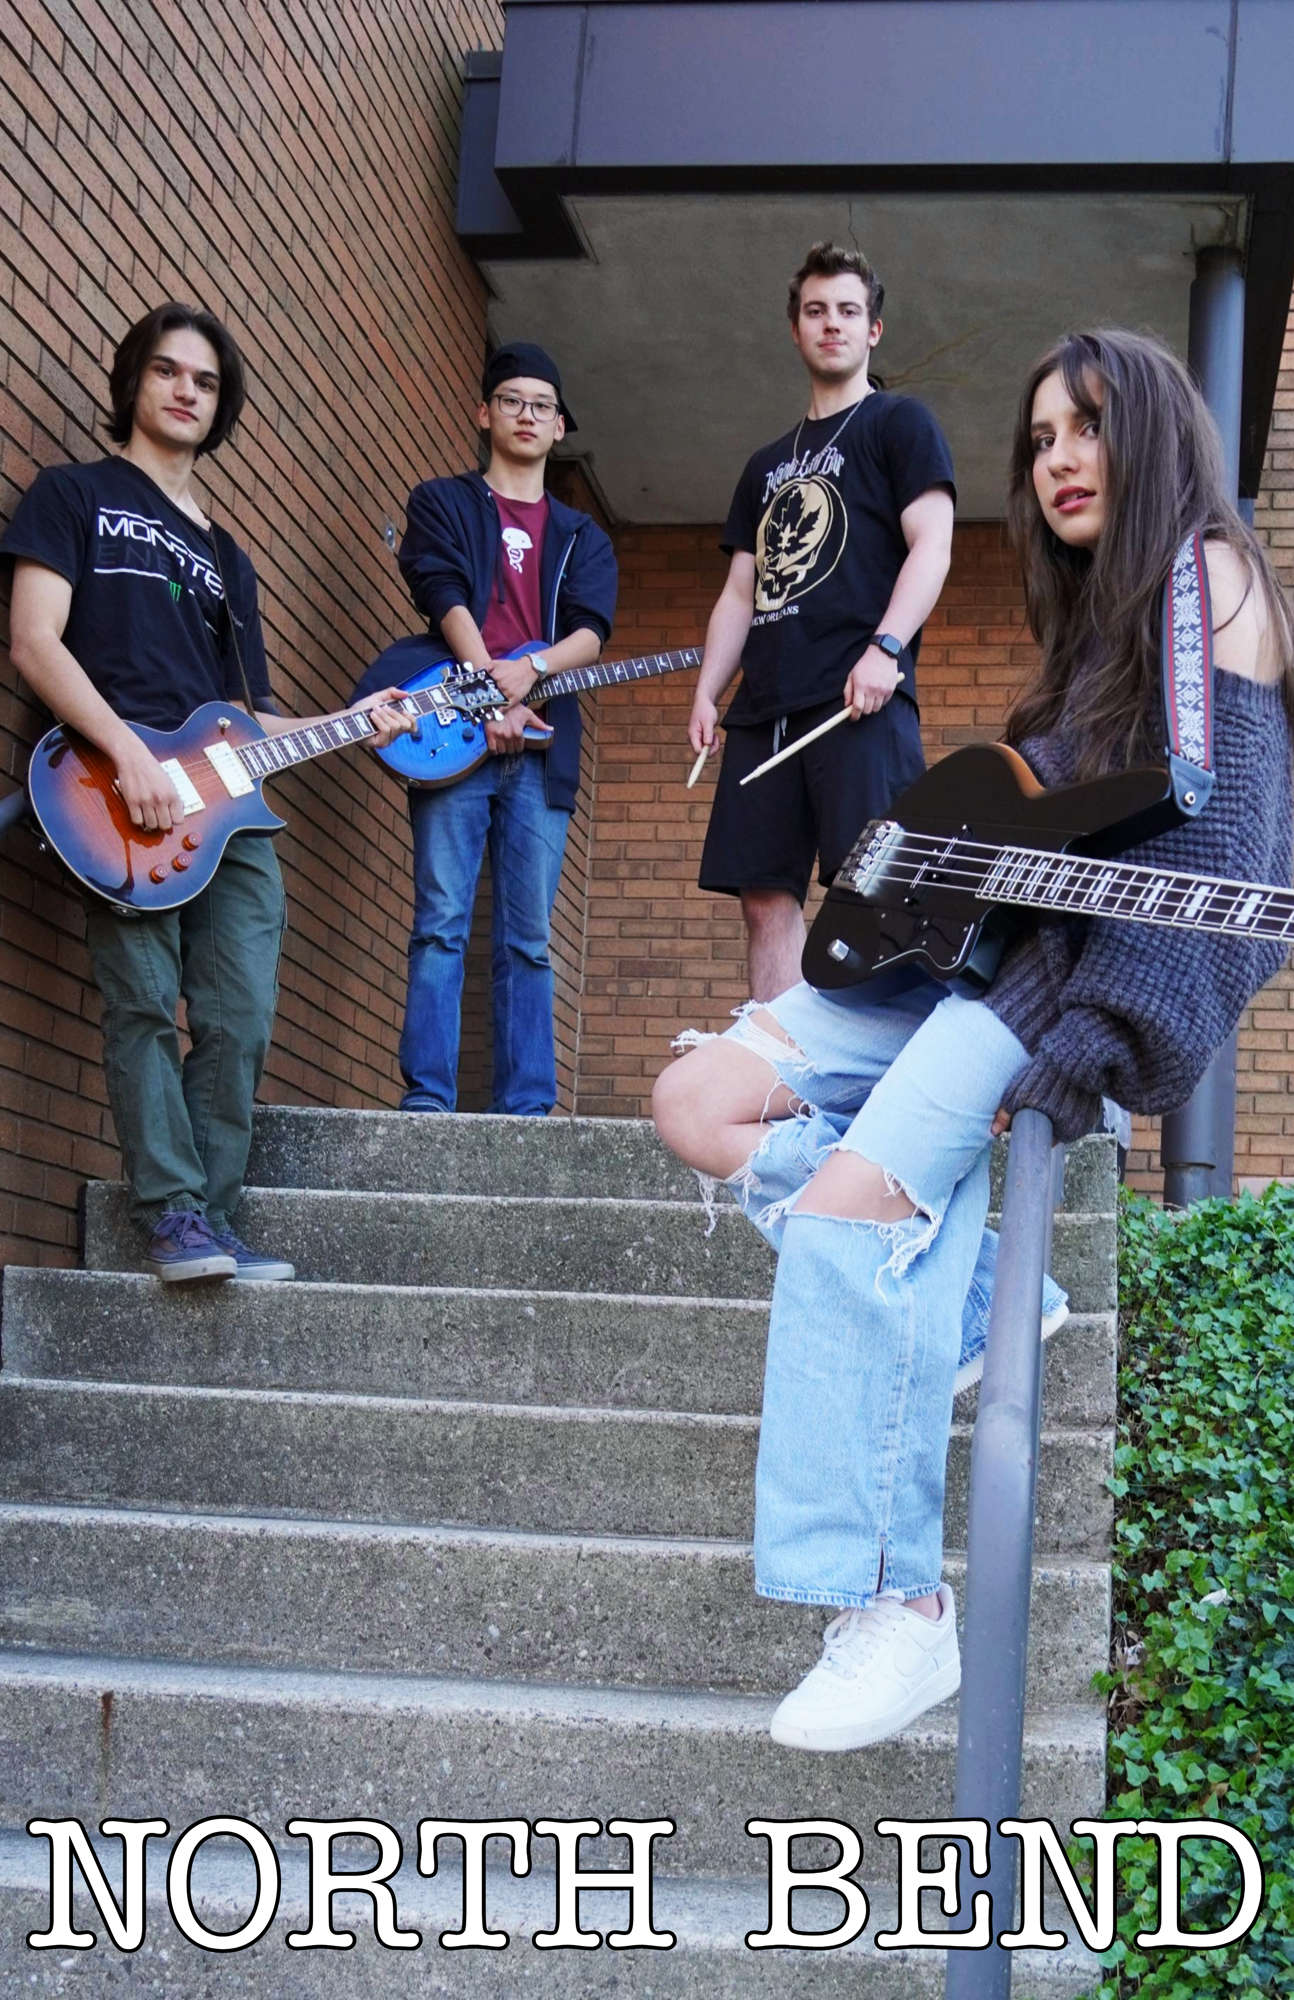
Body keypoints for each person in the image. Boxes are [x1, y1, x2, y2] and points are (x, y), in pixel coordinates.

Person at [654, 328, 1293, 1751]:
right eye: (1040, 438)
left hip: (1036, 1000)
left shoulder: (1210, 575)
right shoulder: (1090, 635)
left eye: (1085, 427)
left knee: (836, 1219)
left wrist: (1093, 1044)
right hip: (932, 972)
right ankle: (955, 1298)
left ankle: (895, 1610)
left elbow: (1230, 860)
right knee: (698, 1102)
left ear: (1155, 438)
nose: (1057, 458)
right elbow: (1023, 819)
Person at [2, 304, 409, 1283]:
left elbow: (244, 718)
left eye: (207, 380)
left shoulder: (229, 556)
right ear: (133, 383)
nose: (187, 389)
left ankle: (214, 1220)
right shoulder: (74, 495)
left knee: (240, 1012)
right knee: (141, 1000)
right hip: (107, 785)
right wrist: (126, 754)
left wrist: (367, 717)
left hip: (223, 815)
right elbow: (31, 640)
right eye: (168, 371)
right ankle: (173, 1213)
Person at [689, 241, 955, 1000]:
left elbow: (931, 547)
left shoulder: (899, 424)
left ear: (873, 329)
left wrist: (886, 649)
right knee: (764, 900)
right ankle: (780, 1081)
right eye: (815, 311)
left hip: (856, 698)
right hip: (766, 707)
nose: (831, 324)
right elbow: (741, 591)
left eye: (847, 311)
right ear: (795, 329)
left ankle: (885, 1081)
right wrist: (709, 689)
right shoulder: (764, 464)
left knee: (876, 890)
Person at [392, 342, 617, 1115]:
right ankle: (427, 1100)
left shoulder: (583, 535)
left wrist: (533, 673)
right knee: (441, 921)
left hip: (544, 748)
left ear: (561, 428)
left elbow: (591, 631)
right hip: (450, 734)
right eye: (512, 400)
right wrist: (492, 688)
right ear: (484, 414)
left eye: (543, 405)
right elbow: (440, 588)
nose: (527, 414)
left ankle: (528, 1111)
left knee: (528, 939)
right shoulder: (442, 503)